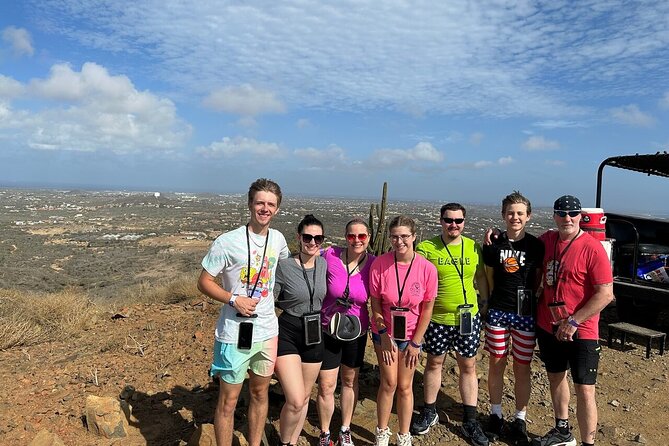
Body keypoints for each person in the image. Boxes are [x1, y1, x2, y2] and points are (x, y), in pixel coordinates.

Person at [197, 178, 290, 446]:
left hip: (267, 330)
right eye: (260, 202)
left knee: (261, 393)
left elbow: (286, 270)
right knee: (228, 400)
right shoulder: (227, 242)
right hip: (233, 331)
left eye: (271, 204)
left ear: (277, 209)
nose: (265, 208)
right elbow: (203, 281)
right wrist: (232, 299)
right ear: (250, 204)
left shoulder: (278, 240)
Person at [532, 195, 613, 446]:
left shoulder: (592, 248)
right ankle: (562, 431)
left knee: (585, 388)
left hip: (582, 330)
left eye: (573, 214)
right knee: (555, 377)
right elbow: (520, 244)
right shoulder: (547, 240)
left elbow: (605, 293)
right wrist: (496, 236)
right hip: (548, 325)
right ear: (554, 216)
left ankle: (588, 443)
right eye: (562, 213)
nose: (567, 218)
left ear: (580, 216)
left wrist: (574, 321)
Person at [412, 202, 490, 446]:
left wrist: (485, 304)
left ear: (464, 222)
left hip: (468, 318)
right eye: (449, 220)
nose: (453, 224)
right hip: (437, 319)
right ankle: (430, 411)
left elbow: (480, 278)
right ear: (441, 221)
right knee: (434, 363)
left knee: (468, 366)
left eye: (458, 220)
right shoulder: (427, 248)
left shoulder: (472, 247)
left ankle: (470, 419)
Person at [482, 192, 545, 446]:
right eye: (510, 213)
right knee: (496, 363)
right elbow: (487, 275)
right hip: (499, 310)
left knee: (522, 367)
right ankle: (496, 414)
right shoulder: (493, 244)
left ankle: (520, 417)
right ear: (503, 215)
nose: (515, 217)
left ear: (528, 216)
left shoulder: (536, 246)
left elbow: (539, 276)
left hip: (525, 315)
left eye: (520, 213)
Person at [369, 215, 438, 446]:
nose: (399, 241)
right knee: (389, 383)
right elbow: (376, 303)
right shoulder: (380, 264)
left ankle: (404, 435)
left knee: (406, 386)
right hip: (385, 335)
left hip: (411, 336)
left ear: (414, 237)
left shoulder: (427, 269)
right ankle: (382, 431)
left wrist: (416, 343)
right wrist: (382, 333)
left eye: (404, 236)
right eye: (395, 236)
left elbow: (427, 309)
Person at [317, 218, 375, 446]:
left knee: (350, 381)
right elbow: (306, 256)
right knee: (326, 385)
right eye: (352, 236)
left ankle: (345, 429)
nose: (357, 240)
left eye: (362, 236)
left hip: (357, 332)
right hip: (328, 329)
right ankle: (324, 433)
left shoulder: (374, 264)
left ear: (368, 238)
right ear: (345, 237)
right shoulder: (329, 255)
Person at [274, 214, 328, 446]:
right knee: (295, 399)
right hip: (289, 331)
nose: (313, 242)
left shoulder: (324, 263)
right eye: (308, 237)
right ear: (299, 237)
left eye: (318, 238)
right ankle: (284, 442)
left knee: (305, 397)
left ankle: (293, 442)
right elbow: (270, 299)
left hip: (315, 333)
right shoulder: (284, 266)